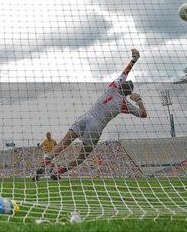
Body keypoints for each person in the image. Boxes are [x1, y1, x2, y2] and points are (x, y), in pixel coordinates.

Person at [33, 49, 148, 181]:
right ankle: (58, 173)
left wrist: (134, 59)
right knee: (81, 158)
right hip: (96, 128)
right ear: (128, 94)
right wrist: (138, 100)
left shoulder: (113, 87)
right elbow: (143, 114)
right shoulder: (124, 104)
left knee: (63, 144)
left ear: (122, 84)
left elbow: (125, 72)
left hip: (86, 118)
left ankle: (44, 164)